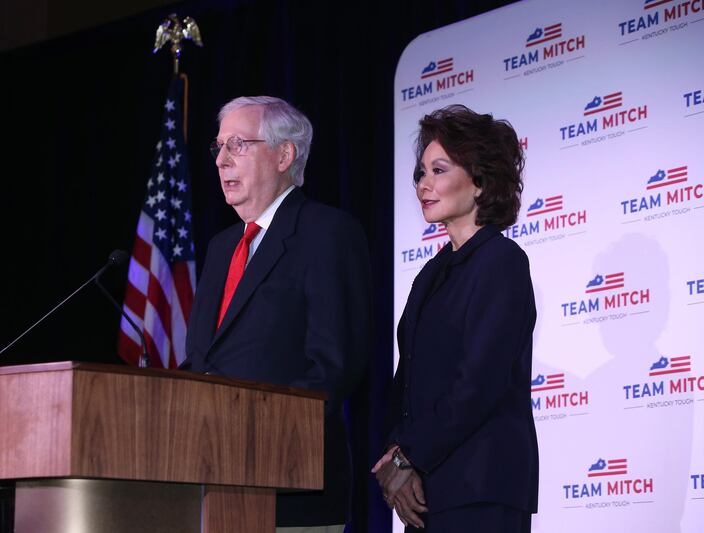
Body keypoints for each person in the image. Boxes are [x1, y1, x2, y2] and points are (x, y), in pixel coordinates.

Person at [180, 96, 371, 532]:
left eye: (238, 145)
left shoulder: (327, 233)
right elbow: (202, 361)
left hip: (288, 486)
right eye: (218, 148)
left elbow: (333, 365)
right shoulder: (221, 247)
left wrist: (254, 435)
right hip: (206, 485)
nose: (222, 160)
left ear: (284, 154)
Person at [373, 105, 538, 532]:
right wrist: (395, 456)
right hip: (426, 493)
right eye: (420, 173)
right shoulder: (431, 272)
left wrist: (409, 456)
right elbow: (405, 380)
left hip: (480, 490)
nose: (424, 184)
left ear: (480, 181)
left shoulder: (503, 262)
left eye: (438, 170)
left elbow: (479, 384)